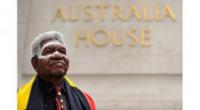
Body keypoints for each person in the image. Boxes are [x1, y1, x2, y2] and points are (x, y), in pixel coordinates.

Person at [18, 31, 96, 110]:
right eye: (49, 51)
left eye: (62, 51)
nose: (58, 55)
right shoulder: (17, 99)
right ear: (35, 63)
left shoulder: (86, 100)